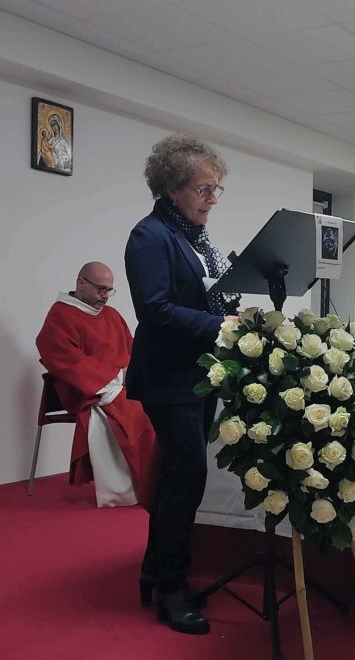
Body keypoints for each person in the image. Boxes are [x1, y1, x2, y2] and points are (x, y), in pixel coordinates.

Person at [124, 134, 239, 635]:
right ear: (173, 188)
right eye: (203, 189)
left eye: (216, 189)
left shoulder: (194, 237)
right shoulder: (150, 236)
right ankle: (170, 588)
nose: (212, 199)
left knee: (181, 478)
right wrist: (220, 326)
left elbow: (204, 295)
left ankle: (158, 572)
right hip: (168, 378)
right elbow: (154, 310)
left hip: (198, 374)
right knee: (185, 477)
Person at [35, 261, 157, 509]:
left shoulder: (112, 315)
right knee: (138, 412)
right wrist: (114, 378)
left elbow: (134, 350)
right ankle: (140, 488)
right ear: (81, 283)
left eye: (109, 290)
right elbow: (64, 359)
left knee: (161, 404)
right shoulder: (60, 316)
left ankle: (159, 481)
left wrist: (136, 374)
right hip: (89, 390)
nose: (105, 297)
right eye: (101, 289)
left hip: (122, 383)